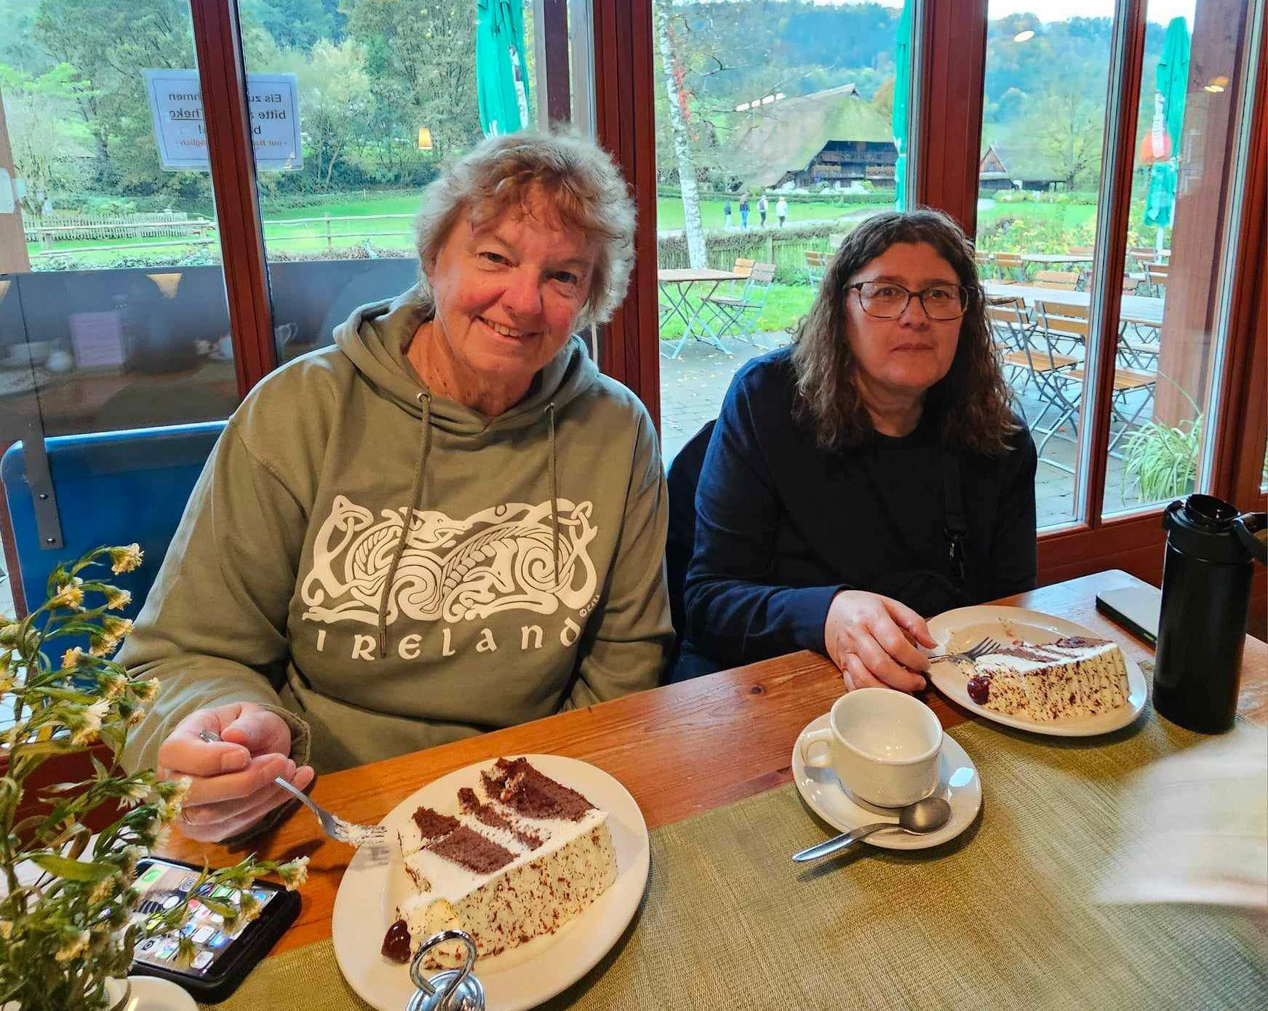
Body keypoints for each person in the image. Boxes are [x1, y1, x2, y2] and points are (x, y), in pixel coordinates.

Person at [119, 131, 672, 843]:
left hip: (527, 802)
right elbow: (178, 657)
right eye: (495, 257)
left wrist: (545, 807)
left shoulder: (618, 430)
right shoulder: (297, 412)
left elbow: (625, 664)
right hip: (315, 803)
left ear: (590, 299)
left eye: (563, 276)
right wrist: (220, 741)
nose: (523, 301)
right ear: (433, 257)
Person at [674, 207, 1037, 690]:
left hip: (936, 688)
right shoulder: (766, 401)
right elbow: (708, 603)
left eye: (938, 294)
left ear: (964, 315)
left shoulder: (1001, 440)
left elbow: (1007, 613)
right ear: (840, 311)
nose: (915, 317)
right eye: (885, 292)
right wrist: (825, 614)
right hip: (777, 682)